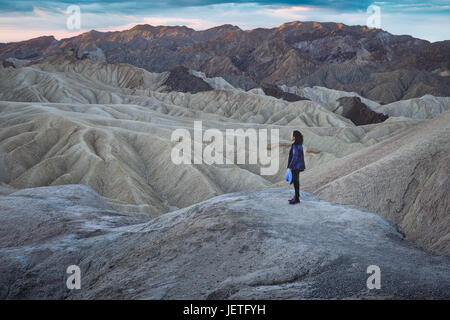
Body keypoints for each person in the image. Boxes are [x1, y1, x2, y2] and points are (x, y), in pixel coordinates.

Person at [287, 130, 305, 204]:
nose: (291, 136)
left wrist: (291, 166)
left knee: (295, 182)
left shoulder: (294, 145)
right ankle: (296, 197)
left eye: (292, 135)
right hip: (298, 166)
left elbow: (294, 157)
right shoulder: (299, 145)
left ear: (294, 137)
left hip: (295, 166)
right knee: (296, 182)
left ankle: (297, 199)